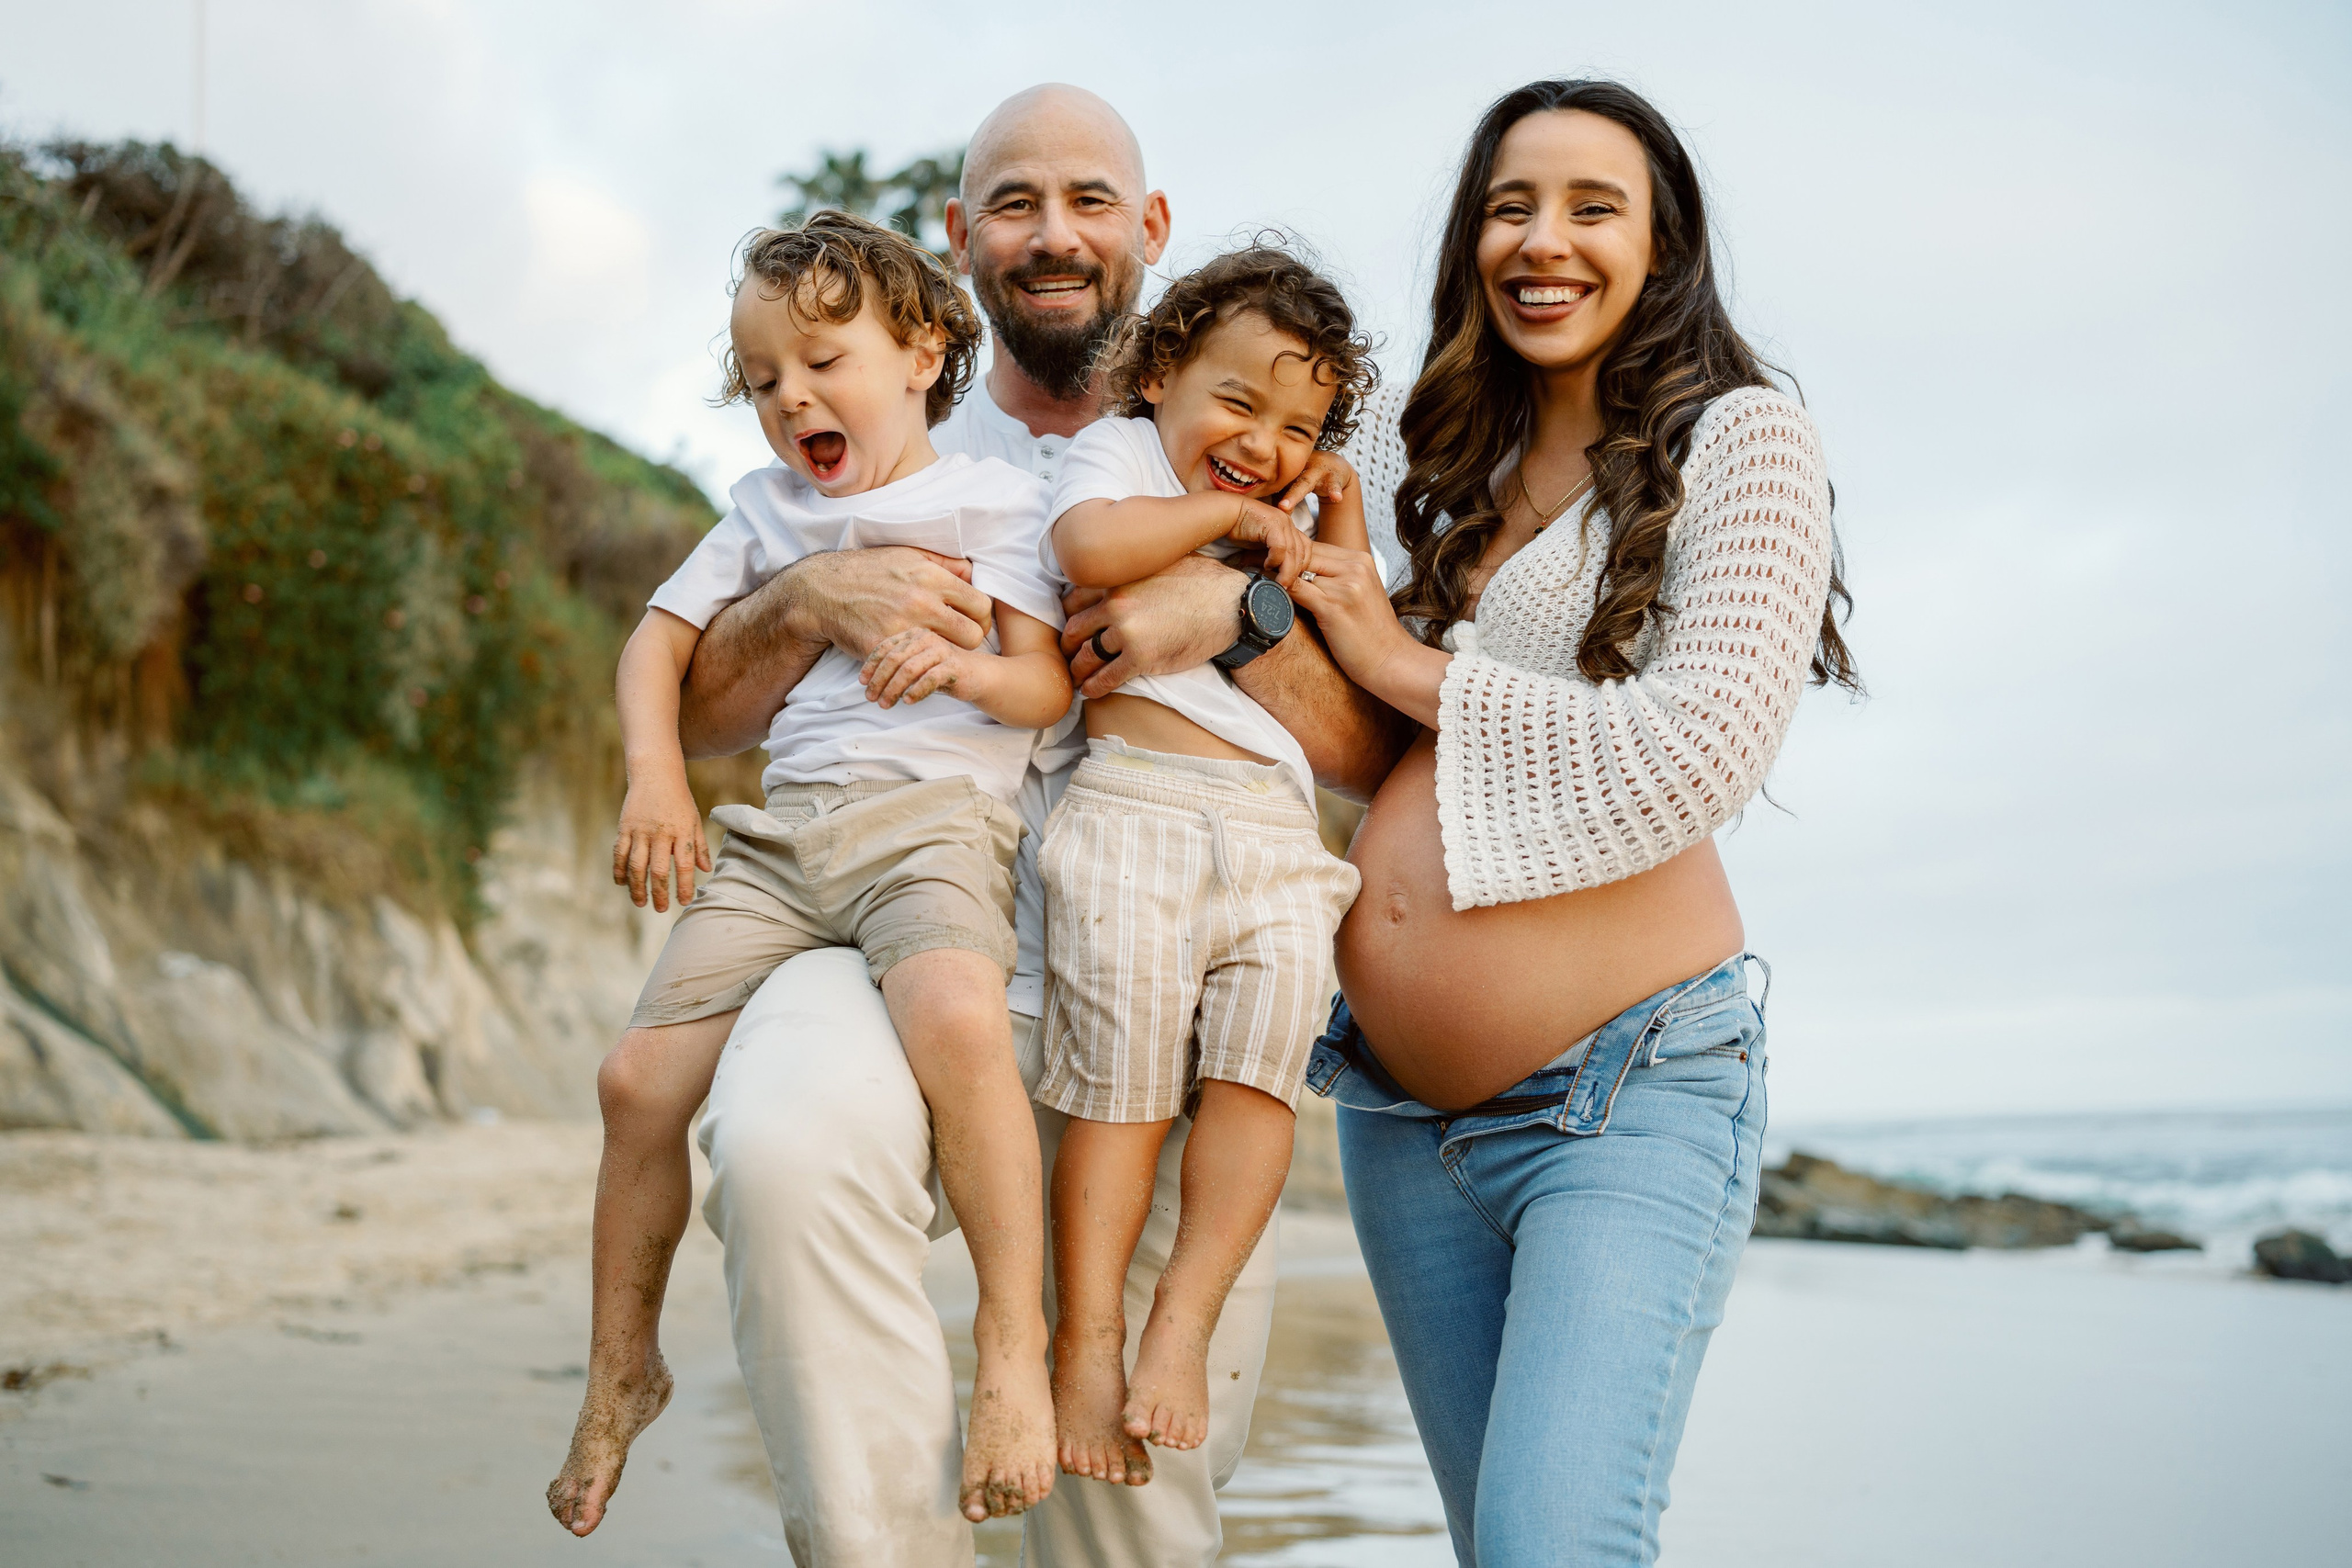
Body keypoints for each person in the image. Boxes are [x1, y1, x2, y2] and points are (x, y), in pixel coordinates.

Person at [671, 85, 1399, 1566]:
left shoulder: (1255, 454)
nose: (1053, 235)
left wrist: (1237, 611)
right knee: (782, 1146)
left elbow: (1374, 749)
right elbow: (700, 714)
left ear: (1153, 230)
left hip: (1169, 950)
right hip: (908, 912)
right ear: (958, 240)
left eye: (1088, 200)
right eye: (1013, 203)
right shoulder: (871, 431)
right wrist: (811, 598)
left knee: (1129, 1485)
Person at [1287, 79, 1859, 1565]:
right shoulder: (1456, 475)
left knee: (1556, 1546)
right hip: (1402, 1123)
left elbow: (1696, 753)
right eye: (1509, 205)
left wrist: (1399, 654)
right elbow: (1394, 758)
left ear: (1663, 245)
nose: (1544, 240)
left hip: (1629, 1092)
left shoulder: (1746, 443)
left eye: (1593, 206)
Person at [547, 212, 1073, 1535]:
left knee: (956, 1023)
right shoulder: (769, 512)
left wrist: (956, 666)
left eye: (824, 361)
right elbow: (656, 647)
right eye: (765, 377)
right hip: (784, 844)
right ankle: (623, 1366)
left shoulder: (997, 503)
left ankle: (1012, 1349)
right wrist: (656, 779)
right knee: (635, 1080)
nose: (793, 398)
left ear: (922, 349)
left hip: (933, 830)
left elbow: (1041, 680)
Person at [1036, 246, 1374, 1476]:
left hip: (1277, 836)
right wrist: (1234, 519)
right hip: (1135, 811)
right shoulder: (1119, 458)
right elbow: (1090, 549)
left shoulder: (1287, 512)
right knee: (1119, 1096)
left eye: (1305, 426)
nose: (1268, 446)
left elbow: (1355, 632)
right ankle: (1088, 1347)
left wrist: (1334, 521)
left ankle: (1181, 1326)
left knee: (1255, 1086)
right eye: (1240, 404)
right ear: (1162, 368)